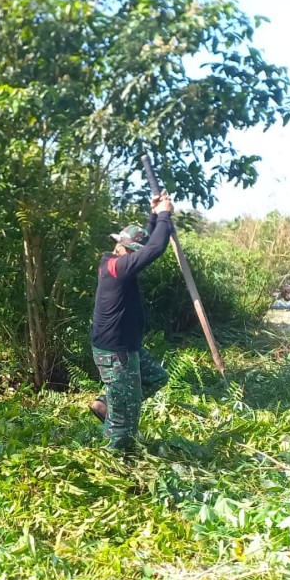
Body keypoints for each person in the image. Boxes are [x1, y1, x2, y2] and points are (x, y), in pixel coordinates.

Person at [88, 193, 175, 451]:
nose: (133, 255)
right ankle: (115, 460)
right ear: (119, 247)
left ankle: (108, 404)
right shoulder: (118, 267)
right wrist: (165, 214)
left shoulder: (118, 264)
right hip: (117, 352)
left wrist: (154, 214)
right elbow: (155, 248)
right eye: (130, 250)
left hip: (128, 347)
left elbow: (147, 244)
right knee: (125, 423)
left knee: (155, 376)